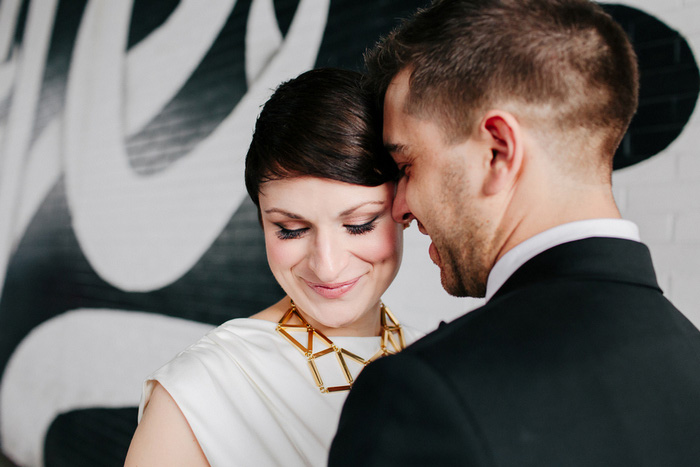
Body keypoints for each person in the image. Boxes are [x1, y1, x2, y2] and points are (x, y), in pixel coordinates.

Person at [329, 0, 700, 465]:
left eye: (406, 166)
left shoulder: (423, 396)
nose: (399, 208)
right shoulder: (689, 356)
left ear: (498, 151)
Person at [124, 68, 423, 466]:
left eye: (359, 225)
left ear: (403, 205)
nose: (327, 266)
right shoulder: (201, 390)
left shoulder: (442, 358)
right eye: (292, 230)